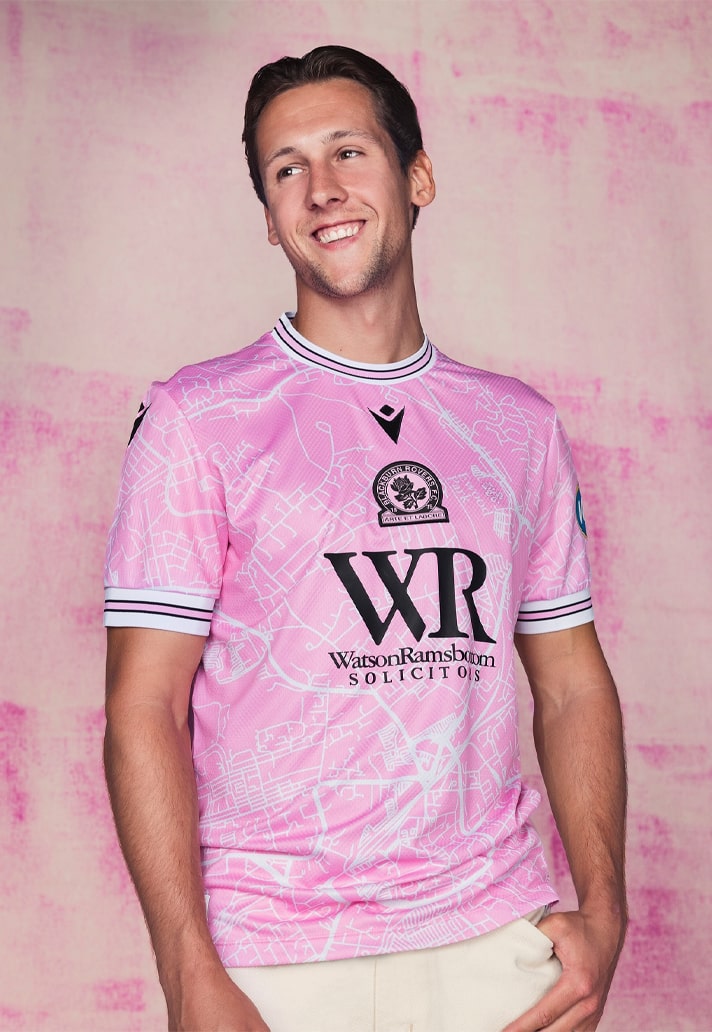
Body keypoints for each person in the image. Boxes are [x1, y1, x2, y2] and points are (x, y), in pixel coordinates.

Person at [103, 45, 627, 1032]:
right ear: (269, 217)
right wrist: (185, 968)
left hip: (493, 942)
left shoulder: (519, 428)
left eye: (348, 151)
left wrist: (604, 912)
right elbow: (144, 707)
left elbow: (569, 682)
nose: (321, 189)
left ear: (417, 176)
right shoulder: (195, 420)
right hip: (273, 958)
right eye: (286, 168)